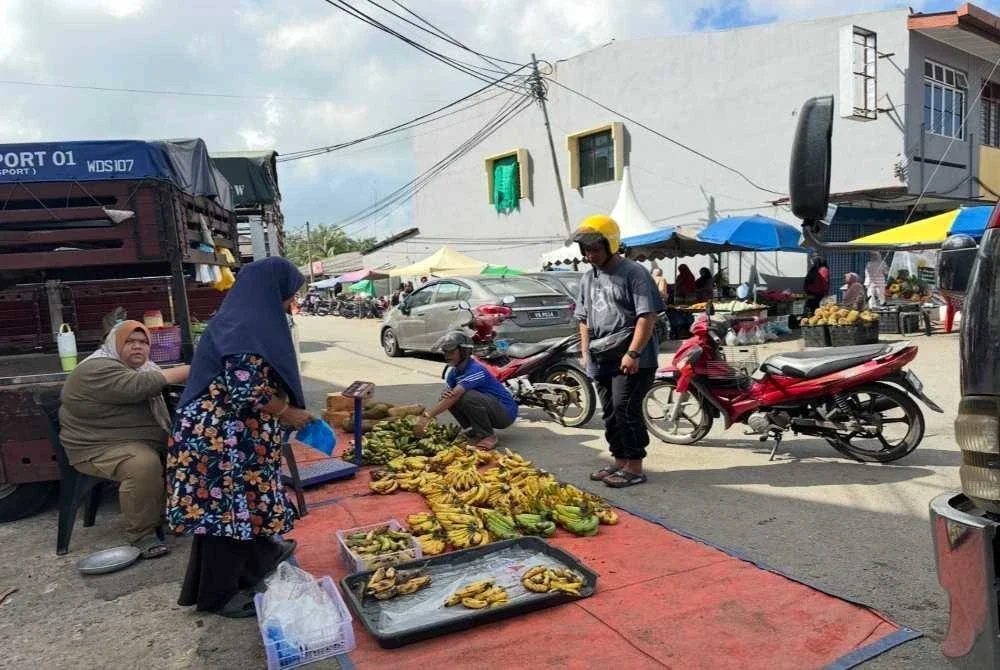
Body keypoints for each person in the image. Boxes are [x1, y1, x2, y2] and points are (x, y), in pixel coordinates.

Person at [166, 257, 314, 618]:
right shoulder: (244, 327)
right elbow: (245, 390)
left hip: (235, 436)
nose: (288, 303)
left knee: (243, 506)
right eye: (287, 294)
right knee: (226, 515)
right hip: (220, 440)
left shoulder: (246, 319)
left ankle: (259, 560)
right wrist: (287, 412)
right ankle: (220, 595)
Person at [59, 320, 191, 558]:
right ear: (114, 343)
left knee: (192, 448)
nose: (137, 347)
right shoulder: (97, 368)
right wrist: (195, 368)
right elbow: (138, 386)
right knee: (142, 464)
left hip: (125, 439)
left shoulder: (142, 367)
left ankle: (172, 515)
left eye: (143, 342)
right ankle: (142, 534)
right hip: (96, 447)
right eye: (130, 341)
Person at [574, 214, 664, 488]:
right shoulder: (589, 277)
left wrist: (633, 353)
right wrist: (585, 354)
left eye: (596, 249)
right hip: (601, 356)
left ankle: (635, 467)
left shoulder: (634, 273)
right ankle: (619, 461)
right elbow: (583, 318)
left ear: (611, 245)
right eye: (586, 250)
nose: (590, 255)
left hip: (633, 358)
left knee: (626, 409)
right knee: (610, 413)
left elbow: (646, 316)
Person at [414, 331, 517, 450]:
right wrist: (445, 393)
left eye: (451, 351)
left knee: (466, 396)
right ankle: (472, 430)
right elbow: (449, 395)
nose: (447, 355)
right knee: (446, 399)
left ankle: (488, 436)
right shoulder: (453, 373)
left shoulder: (476, 369)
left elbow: (455, 395)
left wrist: (427, 416)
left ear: (464, 351)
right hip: (488, 406)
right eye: (445, 352)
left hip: (504, 413)